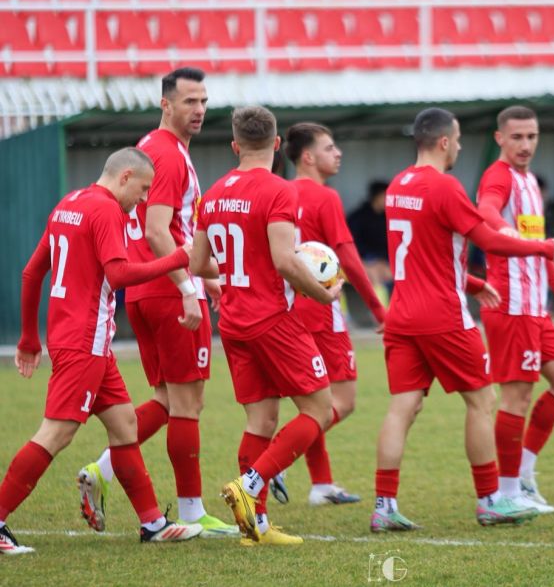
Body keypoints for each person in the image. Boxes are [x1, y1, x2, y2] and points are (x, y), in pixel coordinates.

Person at [371, 107, 554, 531]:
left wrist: (471, 282)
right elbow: (487, 238)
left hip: (403, 313)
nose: (461, 147)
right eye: (459, 139)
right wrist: (543, 249)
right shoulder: (445, 187)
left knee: (402, 408)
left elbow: (419, 254)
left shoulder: (398, 186)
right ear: (444, 142)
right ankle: (491, 499)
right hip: (443, 316)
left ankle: (384, 507)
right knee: (483, 401)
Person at [1, 148, 205, 555]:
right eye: (143, 190)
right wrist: (179, 257)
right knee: (57, 432)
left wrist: (29, 337)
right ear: (125, 177)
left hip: (82, 338)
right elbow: (120, 274)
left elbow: (31, 271)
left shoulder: (69, 203)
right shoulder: (106, 209)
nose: (144, 200)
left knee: (125, 425)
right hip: (84, 341)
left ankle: (152, 524)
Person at [77, 67, 236, 537]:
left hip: (149, 290)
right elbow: (156, 230)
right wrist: (189, 288)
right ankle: (190, 512)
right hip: (168, 291)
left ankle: (102, 471)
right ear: (166, 104)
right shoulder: (165, 154)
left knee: (168, 400)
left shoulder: (153, 148)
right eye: (190, 101)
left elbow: (165, 229)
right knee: (189, 403)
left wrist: (202, 280)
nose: (200, 110)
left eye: (204, 101)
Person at [190, 106, 343, 546]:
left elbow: (199, 263)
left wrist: (238, 267)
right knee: (318, 409)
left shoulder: (214, 193)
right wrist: (323, 294)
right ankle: (251, 484)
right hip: (272, 319)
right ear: (277, 146)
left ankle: (254, 528)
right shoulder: (279, 189)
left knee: (261, 419)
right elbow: (283, 260)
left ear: (235, 146)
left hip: (235, 323)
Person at [268, 122, 387, 507]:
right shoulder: (324, 197)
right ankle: (282, 453)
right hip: (322, 308)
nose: (338, 153)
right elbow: (348, 256)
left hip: (286, 308)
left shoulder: (278, 192)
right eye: (330, 147)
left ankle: (322, 485)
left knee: (314, 402)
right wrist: (376, 307)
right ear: (308, 157)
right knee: (344, 400)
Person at [474, 105, 554, 514]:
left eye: (532, 137)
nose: (525, 145)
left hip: (535, 306)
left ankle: (523, 472)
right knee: (515, 399)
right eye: (517, 137)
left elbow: (540, 247)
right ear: (499, 138)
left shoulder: (530, 180)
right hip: (511, 306)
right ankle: (507, 492)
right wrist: (503, 229)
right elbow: (485, 212)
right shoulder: (498, 176)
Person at [348, 181, 392, 308]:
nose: (387, 200)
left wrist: (383, 260)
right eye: (385, 196)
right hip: (363, 259)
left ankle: (393, 313)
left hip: (384, 259)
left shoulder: (387, 216)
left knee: (393, 273)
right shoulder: (358, 217)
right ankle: (382, 315)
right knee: (375, 276)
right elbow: (352, 245)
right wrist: (368, 262)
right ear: (377, 196)